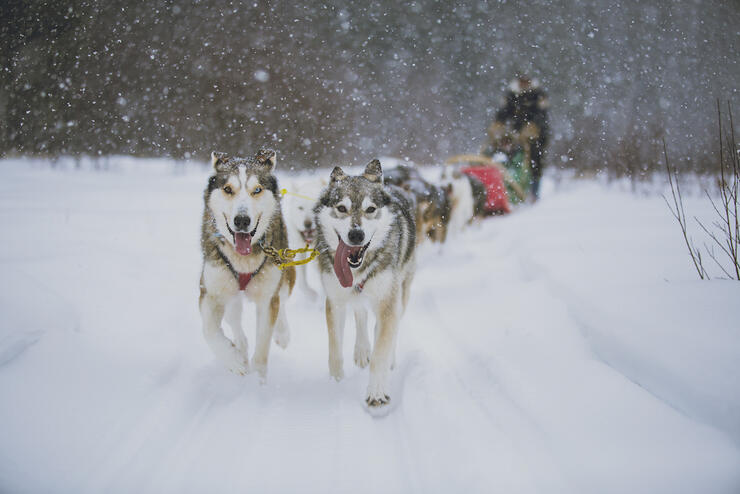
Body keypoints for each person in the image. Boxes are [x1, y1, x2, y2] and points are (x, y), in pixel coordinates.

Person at [487, 75, 549, 200]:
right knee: (505, 153)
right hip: (517, 133)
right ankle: (504, 187)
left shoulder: (538, 95)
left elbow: (542, 115)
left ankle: (534, 193)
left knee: (535, 160)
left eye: (526, 80)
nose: (524, 83)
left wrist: (533, 126)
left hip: (536, 135)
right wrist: (498, 123)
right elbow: (504, 112)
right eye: (522, 81)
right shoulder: (512, 94)